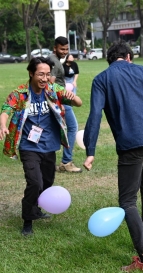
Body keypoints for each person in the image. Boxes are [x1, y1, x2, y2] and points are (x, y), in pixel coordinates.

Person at [83, 42, 143, 273]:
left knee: (127, 201)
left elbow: (94, 116)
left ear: (111, 59)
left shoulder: (102, 79)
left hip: (131, 144)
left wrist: (90, 151)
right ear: (128, 57)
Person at [0, 57, 82, 236]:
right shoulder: (20, 93)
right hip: (29, 146)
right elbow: (6, 110)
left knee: (47, 182)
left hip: (50, 146)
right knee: (34, 182)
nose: (45, 78)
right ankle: (27, 221)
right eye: (40, 74)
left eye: (47, 74)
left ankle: (36, 209)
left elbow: (79, 102)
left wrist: (71, 97)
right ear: (31, 73)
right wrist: (3, 126)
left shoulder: (53, 89)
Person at [49, 36, 82, 173]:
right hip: (60, 100)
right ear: (55, 48)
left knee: (55, 129)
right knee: (72, 127)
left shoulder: (55, 60)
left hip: (61, 98)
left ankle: (47, 160)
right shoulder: (54, 62)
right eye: (62, 49)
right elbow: (50, 84)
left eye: (66, 49)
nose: (64, 51)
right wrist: (58, 103)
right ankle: (66, 162)